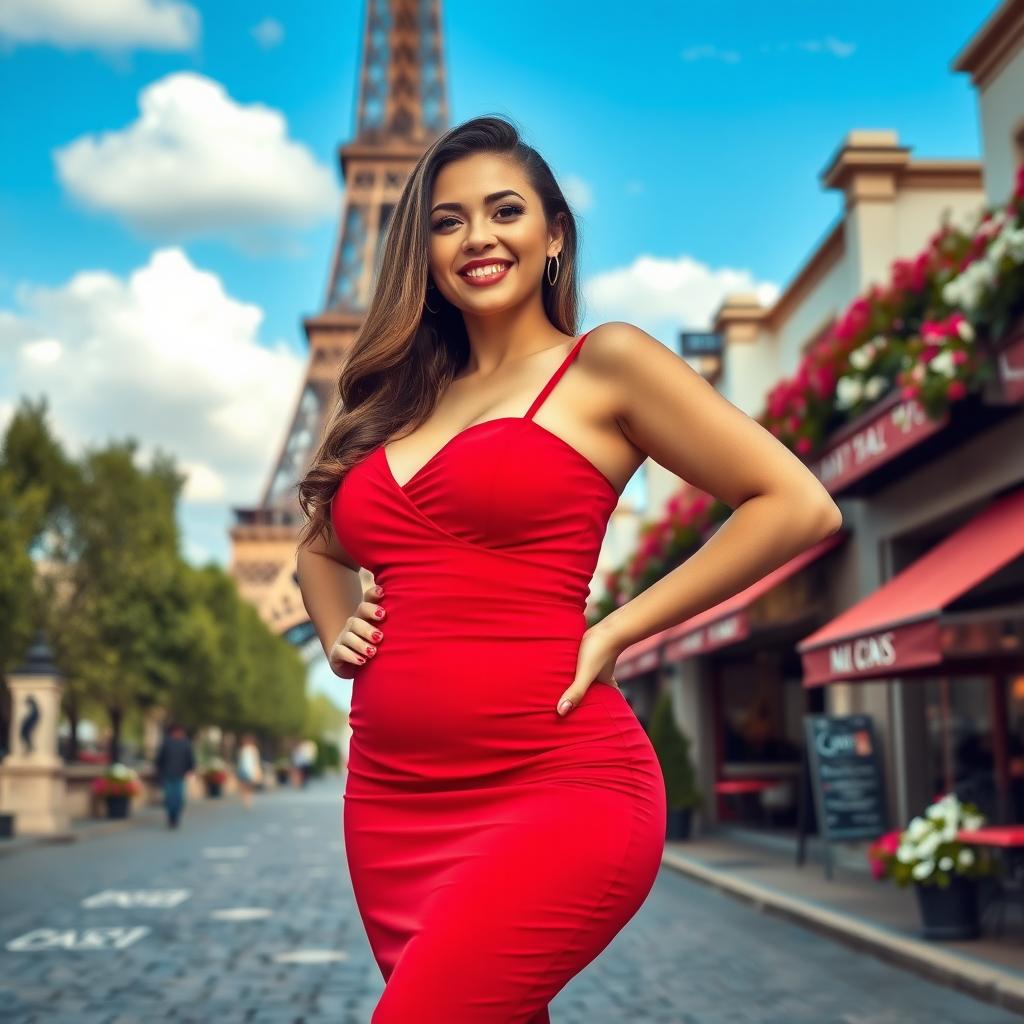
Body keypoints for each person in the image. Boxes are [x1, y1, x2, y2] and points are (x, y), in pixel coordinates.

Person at [293, 115, 842, 1020]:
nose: (478, 237)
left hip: (560, 783)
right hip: (391, 803)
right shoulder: (394, 403)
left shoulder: (604, 366)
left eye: (505, 211)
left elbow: (796, 503)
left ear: (554, 234)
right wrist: (332, 627)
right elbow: (321, 545)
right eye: (447, 220)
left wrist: (622, 624)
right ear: (422, 252)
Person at [154, 723, 194, 829]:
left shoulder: (185, 743)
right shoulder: (166, 743)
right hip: (168, 775)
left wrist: (190, 770)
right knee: (169, 798)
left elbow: (190, 759)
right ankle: (171, 817)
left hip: (180, 775)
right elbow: (159, 760)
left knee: (179, 798)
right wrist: (160, 772)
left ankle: (176, 817)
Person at [236, 734, 262, 810]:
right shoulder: (242, 749)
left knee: (248, 786)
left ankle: (248, 800)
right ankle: (245, 800)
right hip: (242, 769)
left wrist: (257, 770)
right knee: (243, 786)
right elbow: (240, 761)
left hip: (250, 770)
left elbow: (256, 761)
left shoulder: (254, 749)